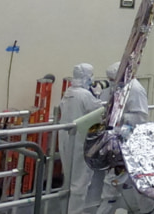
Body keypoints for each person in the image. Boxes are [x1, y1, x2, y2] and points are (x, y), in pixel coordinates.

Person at [97, 62, 154, 214]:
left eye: (112, 79)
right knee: (131, 179)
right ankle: (146, 208)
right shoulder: (120, 87)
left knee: (114, 180)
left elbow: (141, 116)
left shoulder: (135, 89)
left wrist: (118, 117)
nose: (110, 82)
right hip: (118, 139)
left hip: (129, 141)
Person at [58, 63, 103, 214]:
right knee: (80, 181)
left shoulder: (68, 92)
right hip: (80, 140)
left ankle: (66, 209)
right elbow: (98, 111)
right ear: (86, 77)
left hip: (66, 137)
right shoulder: (84, 95)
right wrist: (97, 95)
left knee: (69, 178)